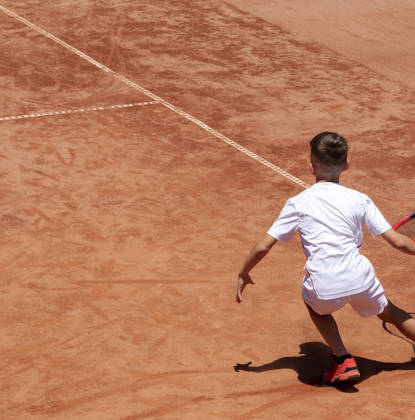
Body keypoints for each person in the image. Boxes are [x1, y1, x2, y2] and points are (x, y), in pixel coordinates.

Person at [236, 131, 415, 384]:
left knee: (314, 306)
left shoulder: (298, 203)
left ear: (311, 167)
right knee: (391, 312)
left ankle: (342, 359)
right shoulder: (360, 200)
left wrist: (243, 273)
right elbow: (399, 242)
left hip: (324, 283)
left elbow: (264, 245)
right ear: (347, 164)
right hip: (360, 276)